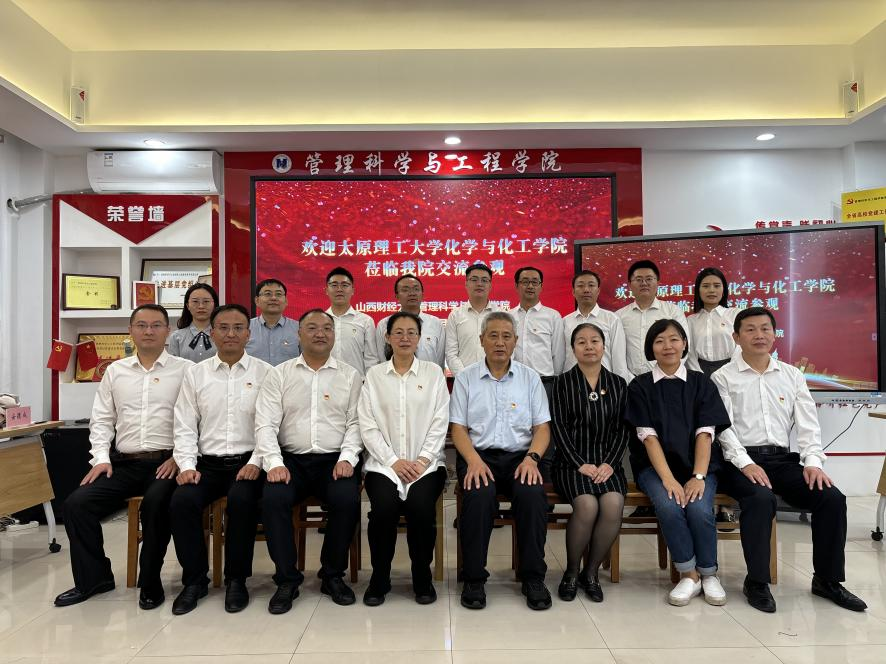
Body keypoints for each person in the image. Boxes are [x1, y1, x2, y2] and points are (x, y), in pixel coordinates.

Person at [712, 307, 867, 613]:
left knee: (831, 498)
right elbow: (723, 428)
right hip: (738, 461)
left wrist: (813, 463)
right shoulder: (722, 377)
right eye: (750, 330)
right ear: (736, 337)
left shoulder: (792, 375)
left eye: (765, 329)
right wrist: (745, 463)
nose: (759, 335)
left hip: (782, 460)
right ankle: (757, 581)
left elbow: (808, 424)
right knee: (760, 499)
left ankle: (827, 580)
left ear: (774, 334)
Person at [55, 305, 192, 610]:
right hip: (124, 463)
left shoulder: (186, 370)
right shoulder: (116, 372)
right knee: (76, 505)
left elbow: (198, 420)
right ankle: (94, 579)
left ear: (167, 331)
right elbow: (102, 419)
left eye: (156, 325)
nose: (148, 331)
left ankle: (151, 580)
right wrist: (101, 459)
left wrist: (180, 457)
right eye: (141, 325)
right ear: (130, 331)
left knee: (155, 505)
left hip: (167, 463)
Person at [255, 309, 363, 614]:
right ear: (298, 334)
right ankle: (287, 579)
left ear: (334, 335)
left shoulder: (350, 375)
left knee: (346, 500)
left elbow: (356, 423)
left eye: (327, 328)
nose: (320, 333)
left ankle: (332, 575)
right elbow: (265, 423)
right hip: (291, 461)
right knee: (273, 500)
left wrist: (348, 458)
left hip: (334, 460)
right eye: (312, 328)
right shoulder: (280, 374)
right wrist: (274, 463)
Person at [169, 304, 272, 615]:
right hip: (207, 465)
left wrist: (256, 462)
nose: (231, 334)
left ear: (248, 334)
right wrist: (187, 466)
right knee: (182, 501)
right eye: (224, 328)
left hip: (249, 463)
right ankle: (194, 580)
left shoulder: (265, 373)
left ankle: (236, 580)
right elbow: (185, 424)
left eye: (238, 328)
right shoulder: (195, 374)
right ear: (212, 333)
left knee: (242, 502)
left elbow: (270, 425)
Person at [450, 311, 553, 611]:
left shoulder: (529, 378)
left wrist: (532, 459)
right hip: (478, 456)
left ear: (515, 341)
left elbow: (542, 428)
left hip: (522, 457)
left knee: (532, 496)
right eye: (493, 336)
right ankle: (473, 578)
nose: (499, 342)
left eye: (506, 336)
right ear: (481, 340)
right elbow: (458, 428)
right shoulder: (466, 378)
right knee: (479, 496)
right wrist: (473, 461)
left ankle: (533, 577)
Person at [625, 319, 731, 607]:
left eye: (674, 339)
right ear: (651, 348)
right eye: (659, 341)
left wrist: (698, 476)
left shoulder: (701, 383)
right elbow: (648, 439)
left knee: (699, 508)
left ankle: (709, 573)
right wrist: (669, 479)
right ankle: (689, 574)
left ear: (684, 343)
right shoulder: (640, 386)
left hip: (700, 467)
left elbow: (705, 434)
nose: (667, 346)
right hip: (654, 468)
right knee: (669, 505)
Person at [359, 312, 449, 607]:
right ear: (387, 337)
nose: (405, 338)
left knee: (421, 508)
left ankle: (422, 575)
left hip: (427, 465)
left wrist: (422, 460)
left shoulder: (433, 374)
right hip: (383, 465)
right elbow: (367, 424)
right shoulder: (374, 376)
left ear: (419, 338)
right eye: (398, 332)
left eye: (411, 332)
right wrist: (392, 461)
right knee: (383, 510)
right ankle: (380, 577)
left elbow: (440, 421)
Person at [551, 323, 631, 603]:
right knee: (587, 505)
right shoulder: (562, 383)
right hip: (571, 463)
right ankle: (572, 572)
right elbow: (558, 428)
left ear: (604, 346)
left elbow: (623, 430)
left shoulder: (618, 384)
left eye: (594, 341)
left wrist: (609, 463)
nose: (589, 347)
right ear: (573, 349)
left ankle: (591, 572)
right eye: (581, 342)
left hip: (608, 464)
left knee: (612, 504)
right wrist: (579, 463)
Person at [616, 260, 690, 379]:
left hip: (666, 378)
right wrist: (628, 378)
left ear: (658, 282)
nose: (644, 283)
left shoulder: (673, 311)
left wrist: (667, 374)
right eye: (639, 279)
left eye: (649, 279)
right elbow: (616, 353)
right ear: (630, 284)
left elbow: (684, 346)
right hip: (631, 380)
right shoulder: (619, 316)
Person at [562, 270, 631, 382]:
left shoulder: (611, 319)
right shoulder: (565, 322)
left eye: (591, 285)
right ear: (573, 292)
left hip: (604, 382)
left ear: (598, 291)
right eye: (580, 286)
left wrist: (620, 386)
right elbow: (561, 358)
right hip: (572, 382)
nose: (586, 290)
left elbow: (619, 359)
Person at [375, 274, 446, 369]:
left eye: (416, 289)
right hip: (394, 377)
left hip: (429, 376)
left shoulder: (436, 323)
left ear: (422, 295)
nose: (412, 293)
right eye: (405, 290)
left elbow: (440, 360)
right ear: (397, 296)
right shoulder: (384, 324)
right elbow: (381, 359)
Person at [510, 266, 565, 384]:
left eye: (535, 282)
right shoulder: (508, 317)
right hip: (514, 380)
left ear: (541, 286)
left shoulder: (553, 316)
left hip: (544, 382)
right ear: (516, 286)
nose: (530, 286)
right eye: (525, 282)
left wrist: (553, 380)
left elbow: (558, 354)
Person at [445, 263, 502, 376]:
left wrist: (496, 375)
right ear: (466, 284)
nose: (479, 284)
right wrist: (464, 377)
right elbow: (451, 353)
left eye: (484, 280)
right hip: (464, 379)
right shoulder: (455, 315)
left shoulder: (501, 315)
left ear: (490, 285)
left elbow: (508, 350)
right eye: (474, 279)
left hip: (496, 379)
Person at [324, 266, 379, 375]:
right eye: (334, 285)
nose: (339, 289)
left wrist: (369, 382)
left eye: (344, 285)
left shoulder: (365, 321)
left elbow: (371, 358)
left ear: (353, 290)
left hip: (357, 382)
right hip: (325, 380)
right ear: (326, 290)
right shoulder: (320, 321)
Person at [687, 267, 740, 376]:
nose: (711, 290)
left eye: (717, 286)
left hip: (732, 371)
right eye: (705, 286)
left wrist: (730, 371)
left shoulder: (735, 314)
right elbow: (689, 352)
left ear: (724, 290)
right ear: (698, 290)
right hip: (700, 372)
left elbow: (742, 346)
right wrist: (698, 376)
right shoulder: (691, 320)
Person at [245, 278, 300, 366]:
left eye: (278, 294)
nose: (274, 298)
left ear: (286, 301)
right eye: (268, 294)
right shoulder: (245, 328)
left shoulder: (299, 329)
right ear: (257, 300)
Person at [167, 283, 219, 363]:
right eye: (195, 301)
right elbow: (173, 366)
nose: (201, 306)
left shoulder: (223, 335)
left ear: (214, 304)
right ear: (188, 305)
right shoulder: (177, 337)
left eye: (206, 301)